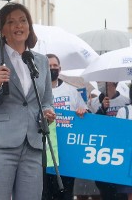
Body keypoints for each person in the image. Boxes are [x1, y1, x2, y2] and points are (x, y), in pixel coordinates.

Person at [0, 3, 55, 200]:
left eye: (23, 20)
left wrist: (47, 112)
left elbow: (46, 101)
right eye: (11, 22)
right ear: (2, 30)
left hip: (32, 146)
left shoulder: (41, 61)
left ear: (29, 26)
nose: (19, 25)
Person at [44, 53, 87, 200]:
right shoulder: (36, 91)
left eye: (55, 66)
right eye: (49, 66)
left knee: (65, 194)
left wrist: (82, 112)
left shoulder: (71, 91)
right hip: (44, 153)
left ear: (60, 68)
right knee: (44, 194)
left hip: (66, 153)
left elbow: (85, 115)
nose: (52, 68)